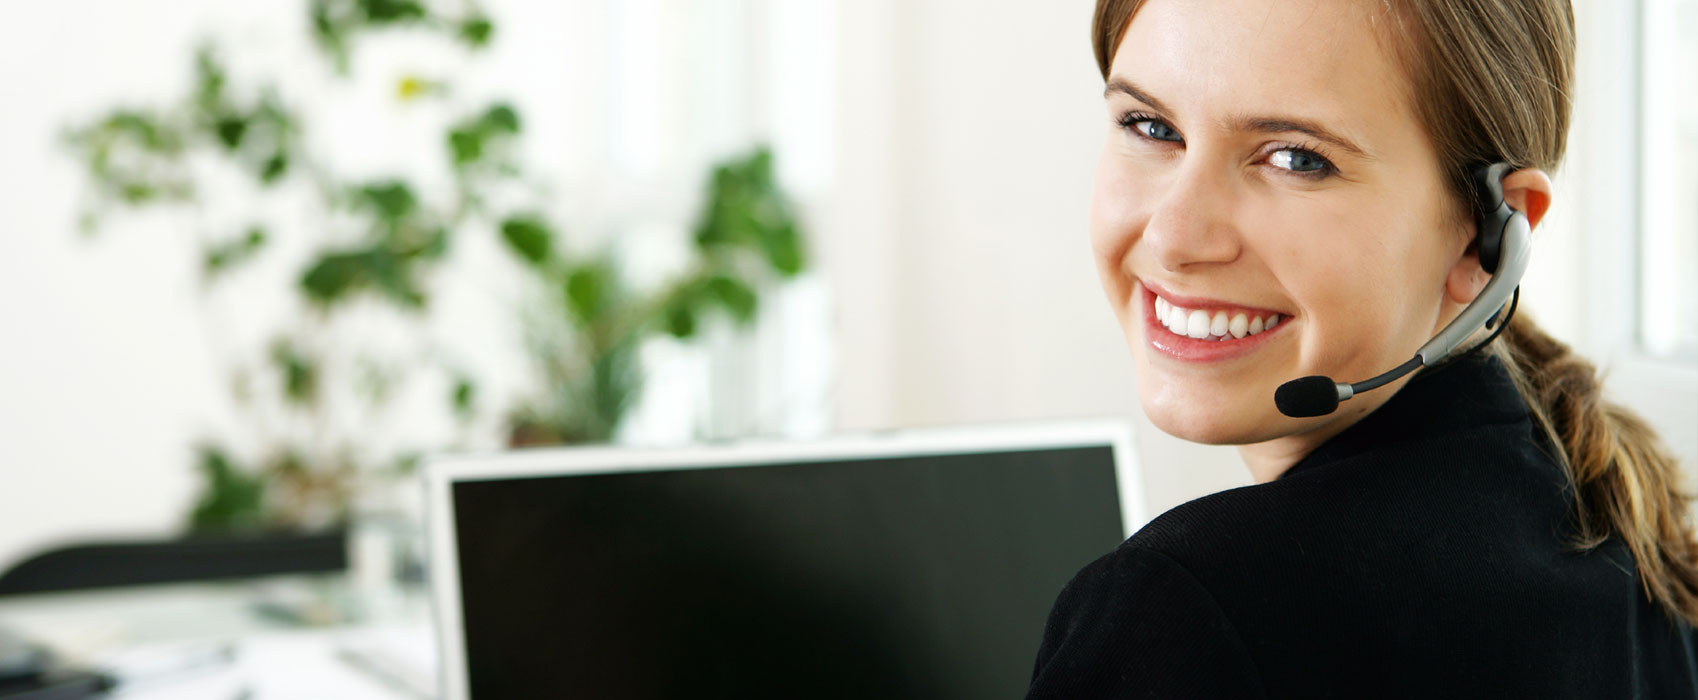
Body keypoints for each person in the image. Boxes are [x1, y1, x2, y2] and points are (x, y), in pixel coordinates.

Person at [1025, 0, 1698, 697]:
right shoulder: (1621, 545)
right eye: (1151, 125)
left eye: (1296, 158)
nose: (1174, 238)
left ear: (1486, 236)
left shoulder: (1186, 615)